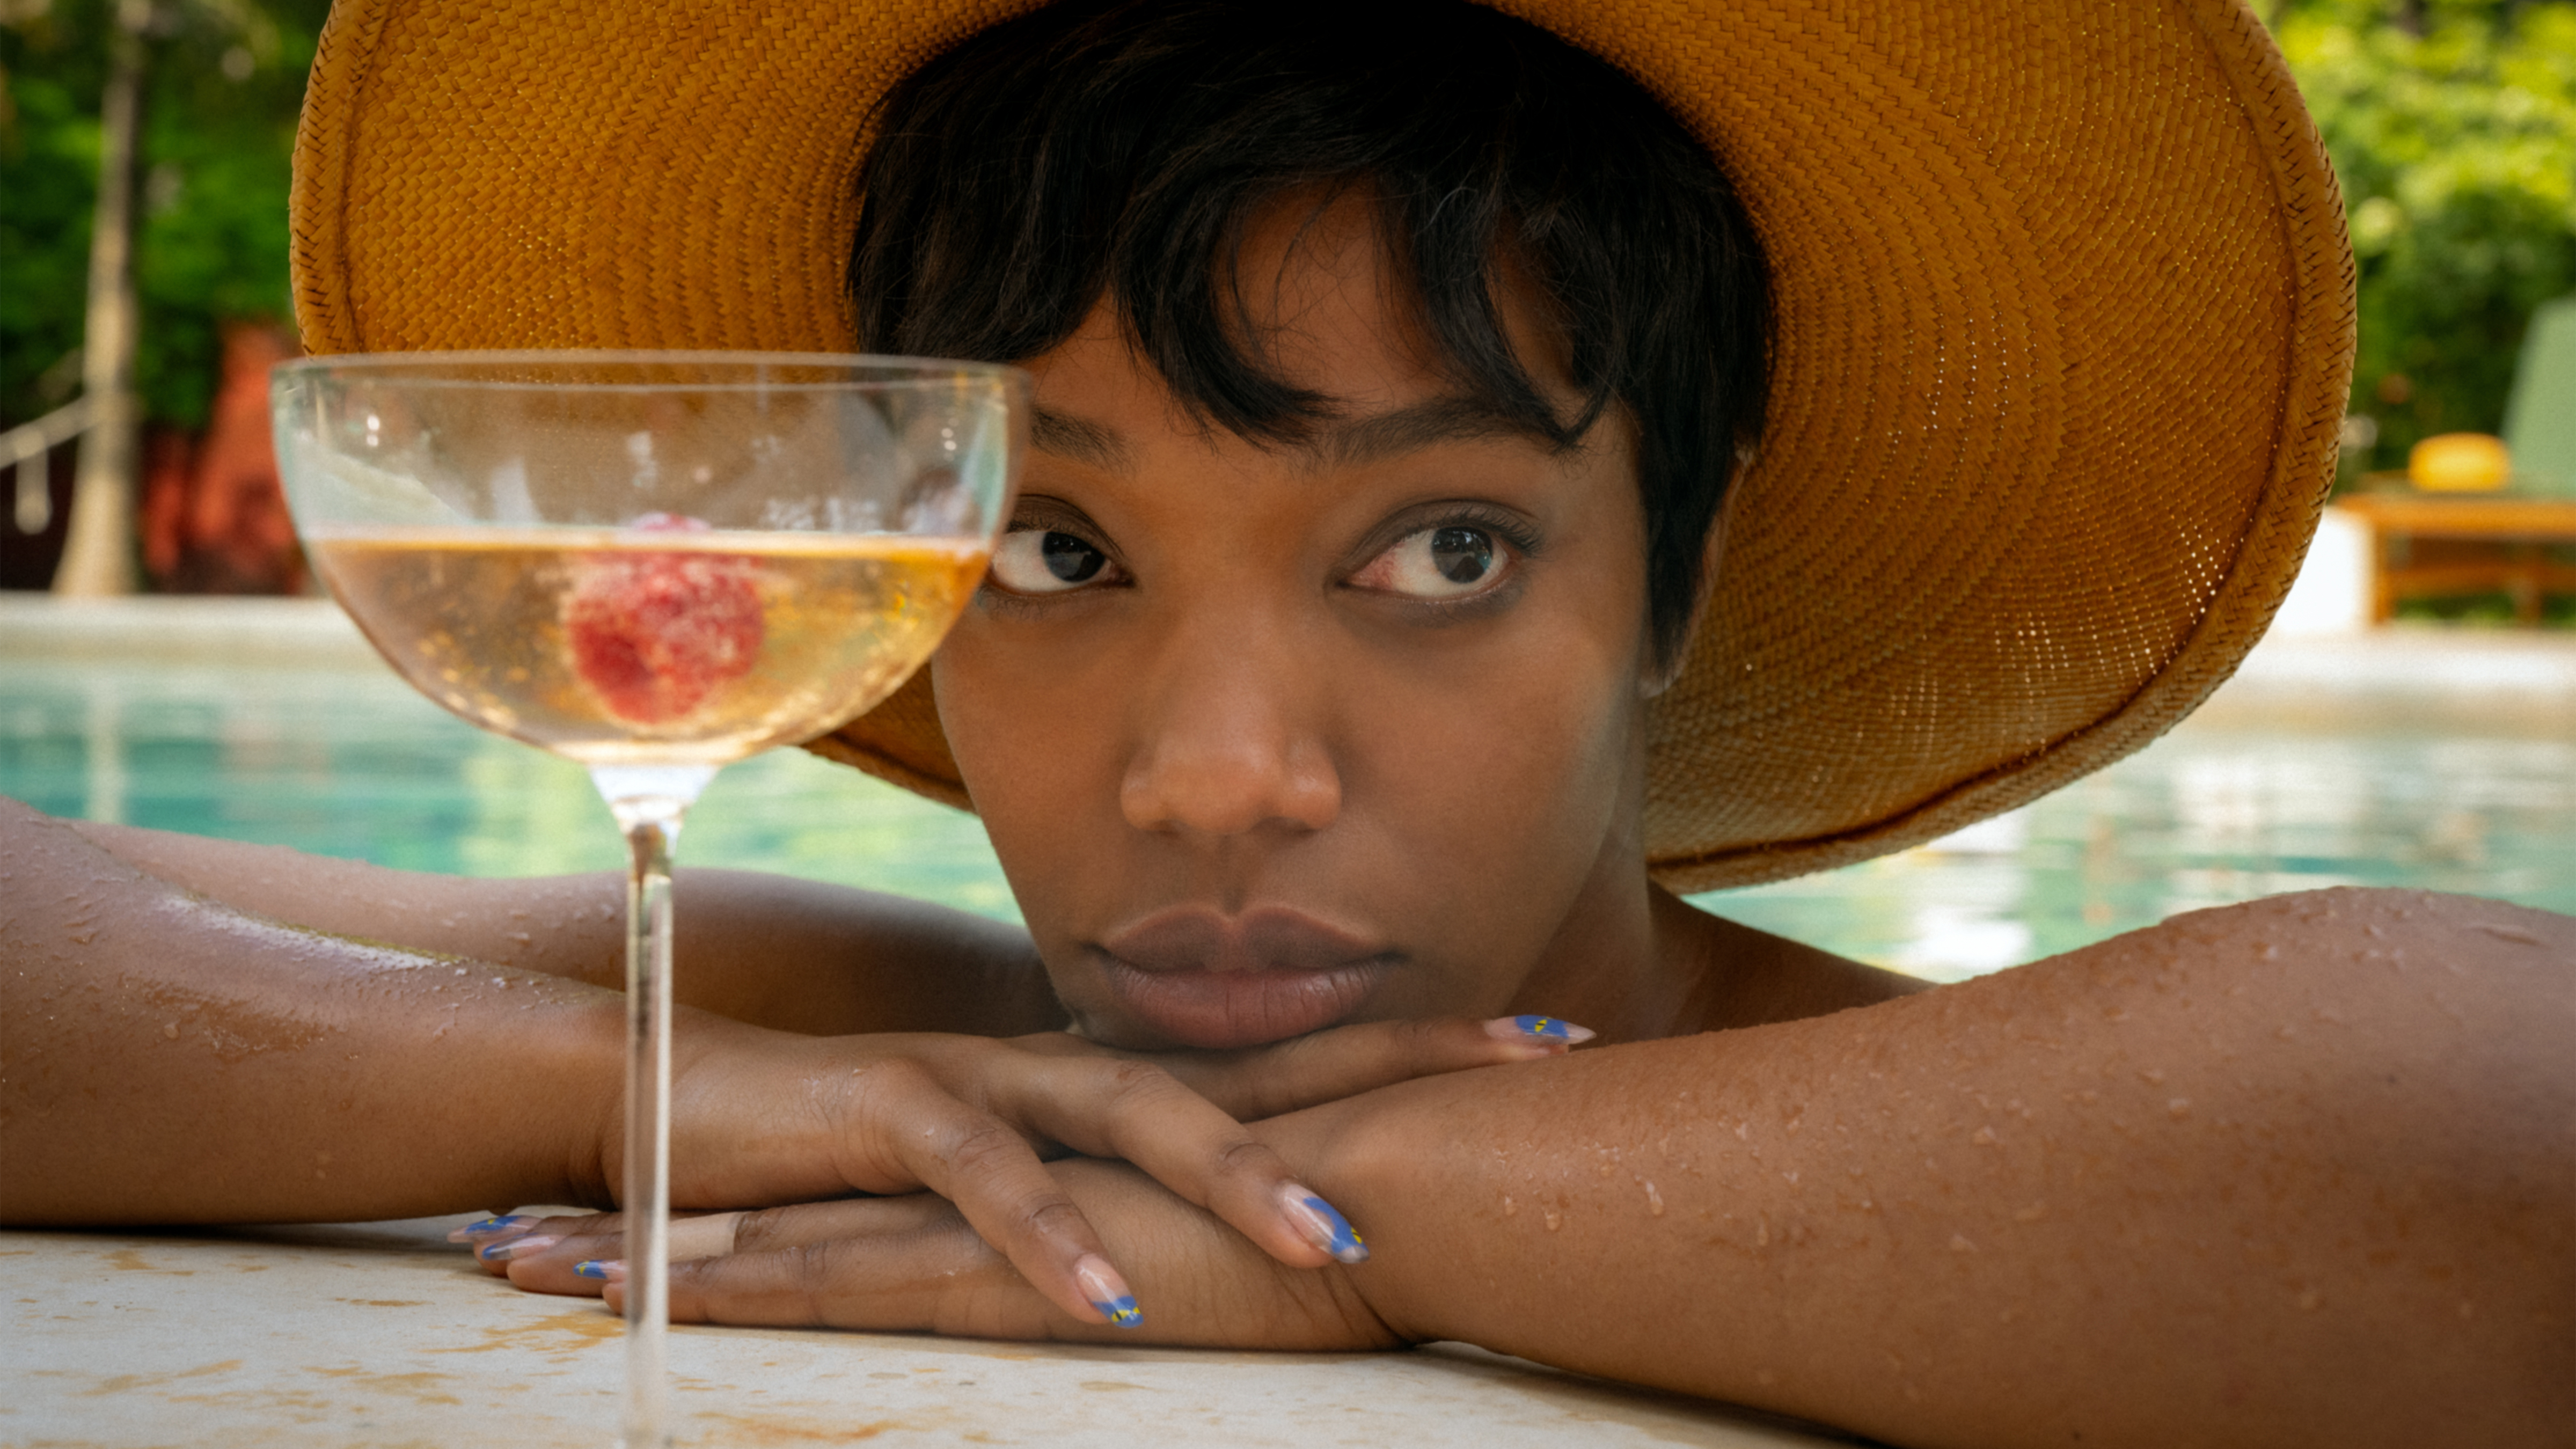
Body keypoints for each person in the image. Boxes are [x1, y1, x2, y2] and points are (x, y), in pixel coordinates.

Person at [3, 1, 2568, 1446]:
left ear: (1681, 565)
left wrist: (1368, 1231)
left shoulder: (2010, 1170)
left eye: (1444, 549)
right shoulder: (923, 1065)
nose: (1217, 774)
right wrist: (614, 1083)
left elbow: (2499, 1122)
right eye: (1060, 554)